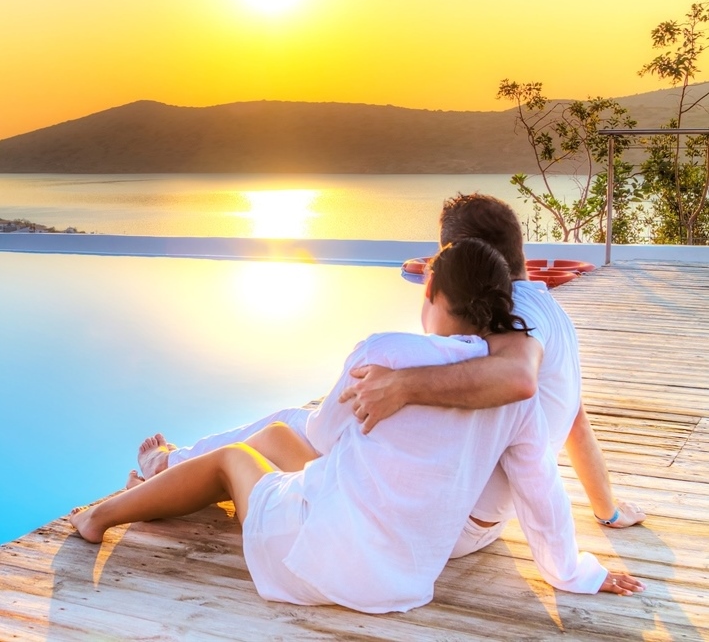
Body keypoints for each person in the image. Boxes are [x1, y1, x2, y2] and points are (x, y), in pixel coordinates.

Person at [70, 239, 643, 613]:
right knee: (273, 442)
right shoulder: (517, 394)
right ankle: (158, 481)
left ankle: (100, 517)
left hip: (316, 560)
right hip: (401, 582)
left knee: (235, 460)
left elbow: (324, 433)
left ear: (434, 295)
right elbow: (540, 490)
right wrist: (575, 574)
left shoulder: (388, 352)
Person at [138, 193, 645, 550]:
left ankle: (170, 468)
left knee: (296, 426)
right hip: (479, 518)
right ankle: (180, 467)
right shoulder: (549, 311)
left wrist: (402, 385)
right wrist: (609, 510)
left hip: (447, 525)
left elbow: (518, 378)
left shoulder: (518, 321)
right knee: (310, 425)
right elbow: (573, 418)